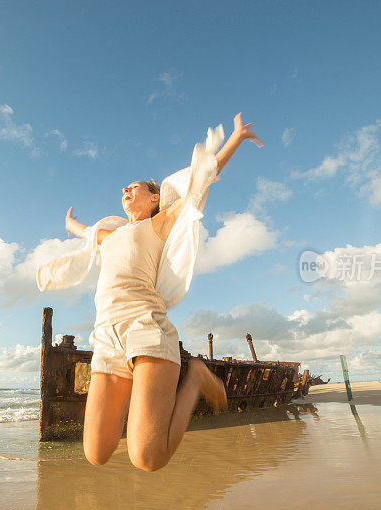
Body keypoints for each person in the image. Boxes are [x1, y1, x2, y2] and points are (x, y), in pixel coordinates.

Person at [48, 113, 263, 471]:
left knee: (147, 459)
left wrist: (235, 139)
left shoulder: (158, 225)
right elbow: (88, 234)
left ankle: (194, 380)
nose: (125, 191)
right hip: (107, 336)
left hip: (144, 327)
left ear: (153, 199)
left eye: (134, 187)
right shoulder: (110, 236)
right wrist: (71, 226)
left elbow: (200, 182)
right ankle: (142, 395)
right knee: (96, 453)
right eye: (124, 189)